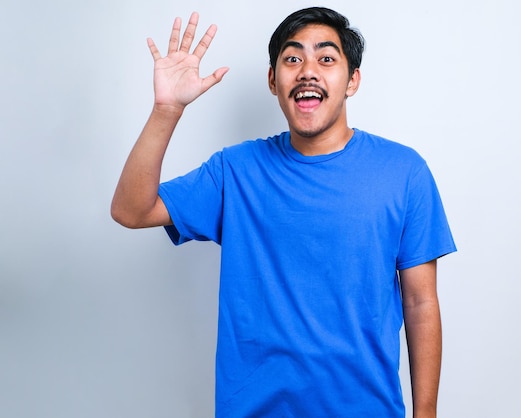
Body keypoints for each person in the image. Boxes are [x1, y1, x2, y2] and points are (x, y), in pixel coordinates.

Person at [111, 7, 456, 418]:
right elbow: (130, 210)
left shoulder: (404, 172)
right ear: (274, 81)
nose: (308, 70)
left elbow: (420, 303)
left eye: (326, 59)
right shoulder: (235, 171)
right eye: (292, 59)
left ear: (353, 80)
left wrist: (427, 415)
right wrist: (166, 110)